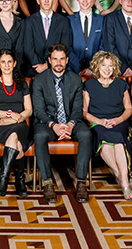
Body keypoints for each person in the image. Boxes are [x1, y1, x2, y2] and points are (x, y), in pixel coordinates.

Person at [32, 44, 92, 203]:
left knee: (85, 134)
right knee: (39, 135)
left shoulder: (76, 79)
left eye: (62, 59)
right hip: (48, 123)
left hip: (70, 121)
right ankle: (47, 183)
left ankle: (81, 183)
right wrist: (54, 126)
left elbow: (78, 109)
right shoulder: (39, 80)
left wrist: (70, 125)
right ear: (49, 60)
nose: (58, 63)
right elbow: (39, 110)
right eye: (55, 59)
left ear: (67, 60)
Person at [83, 51, 132, 200]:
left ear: (115, 68)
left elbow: (129, 108)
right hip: (97, 122)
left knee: (117, 140)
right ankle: (125, 181)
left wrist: (118, 120)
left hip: (119, 121)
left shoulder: (121, 84)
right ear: (97, 67)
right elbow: (84, 112)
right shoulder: (89, 85)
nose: (107, 69)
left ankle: (123, 182)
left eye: (110, 66)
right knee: (104, 139)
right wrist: (100, 121)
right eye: (103, 65)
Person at [0, 48, 32, 197]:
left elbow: (29, 110)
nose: (6, 65)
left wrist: (15, 118)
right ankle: (19, 182)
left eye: (9, 62)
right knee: (17, 143)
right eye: (3, 62)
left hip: (19, 123)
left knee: (14, 135)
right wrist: (9, 114)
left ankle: (3, 182)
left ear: (14, 63)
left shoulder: (22, 83)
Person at [23, 0, 72, 76]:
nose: (46, 1)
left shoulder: (63, 21)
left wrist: (47, 65)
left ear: (54, 0)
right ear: (38, 1)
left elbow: (65, 47)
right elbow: (28, 48)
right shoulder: (29, 21)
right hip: (34, 69)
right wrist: (38, 65)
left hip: (56, 68)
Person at [68, 0, 104, 74]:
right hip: (73, 70)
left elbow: (103, 47)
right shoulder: (69, 20)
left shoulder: (101, 20)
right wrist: (78, 68)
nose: (84, 1)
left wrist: (91, 68)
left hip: (95, 71)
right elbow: (67, 47)